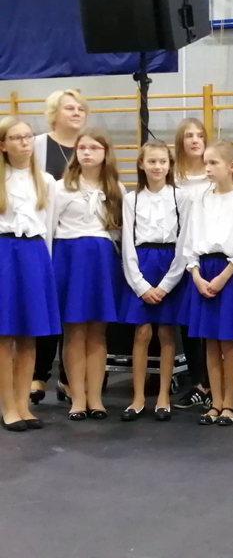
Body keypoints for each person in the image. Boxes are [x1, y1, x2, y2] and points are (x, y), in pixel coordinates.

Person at [181, 140, 233, 426]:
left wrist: (224, 276)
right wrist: (196, 274)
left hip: (230, 272)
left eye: (213, 162)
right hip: (204, 270)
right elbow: (190, 238)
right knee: (209, 342)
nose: (208, 168)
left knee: (227, 341)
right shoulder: (200, 199)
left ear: (232, 166)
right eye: (206, 163)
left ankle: (230, 403)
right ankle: (215, 401)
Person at [53, 127, 125, 420]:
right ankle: (77, 398)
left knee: (97, 331)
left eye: (94, 148)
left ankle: (95, 398)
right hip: (70, 259)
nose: (86, 152)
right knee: (74, 330)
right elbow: (49, 228)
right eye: (82, 147)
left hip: (102, 261)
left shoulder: (116, 190)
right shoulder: (61, 188)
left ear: (105, 153)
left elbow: (120, 232)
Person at [118, 140, 190, 422]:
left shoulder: (181, 197)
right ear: (141, 164)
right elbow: (127, 244)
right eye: (152, 161)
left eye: (163, 161)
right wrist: (140, 284)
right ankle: (137, 397)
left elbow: (185, 243)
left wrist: (168, 283)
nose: (157, 166)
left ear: (170, 165)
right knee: (142, 332)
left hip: (170, 264)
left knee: (167, 332)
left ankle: (163, 396)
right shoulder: (131, 199)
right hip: (142, 264)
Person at [0, 117, 60, 431]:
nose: (25, 142)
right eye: (16, 138)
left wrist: (44, 265)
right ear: (3, 145)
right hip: (4, 252)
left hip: (35, 254)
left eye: (28, 136)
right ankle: (8, 407)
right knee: (4, 335)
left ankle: (23, 405)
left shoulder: (46, 181)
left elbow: (48, 225)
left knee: (29, 335)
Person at [31, 89, 89, 404]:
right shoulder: (38, 145)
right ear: (54, 113)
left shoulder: (89, 147)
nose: (77, 112)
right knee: (47, 308)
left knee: (75, 312)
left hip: (77, 241)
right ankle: (39, 374)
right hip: (45, 237)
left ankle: (69, 379)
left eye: (81, 108)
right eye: (70, 108)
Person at [173, 118, 212, 411]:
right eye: (189, 136)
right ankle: (198, 381)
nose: (195, 140)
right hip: (180, 254)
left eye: (200, 135)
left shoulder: (214, 174)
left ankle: (213, 384)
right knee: (187, 323)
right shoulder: (173, 176)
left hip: (210, 254)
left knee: (211, 321)